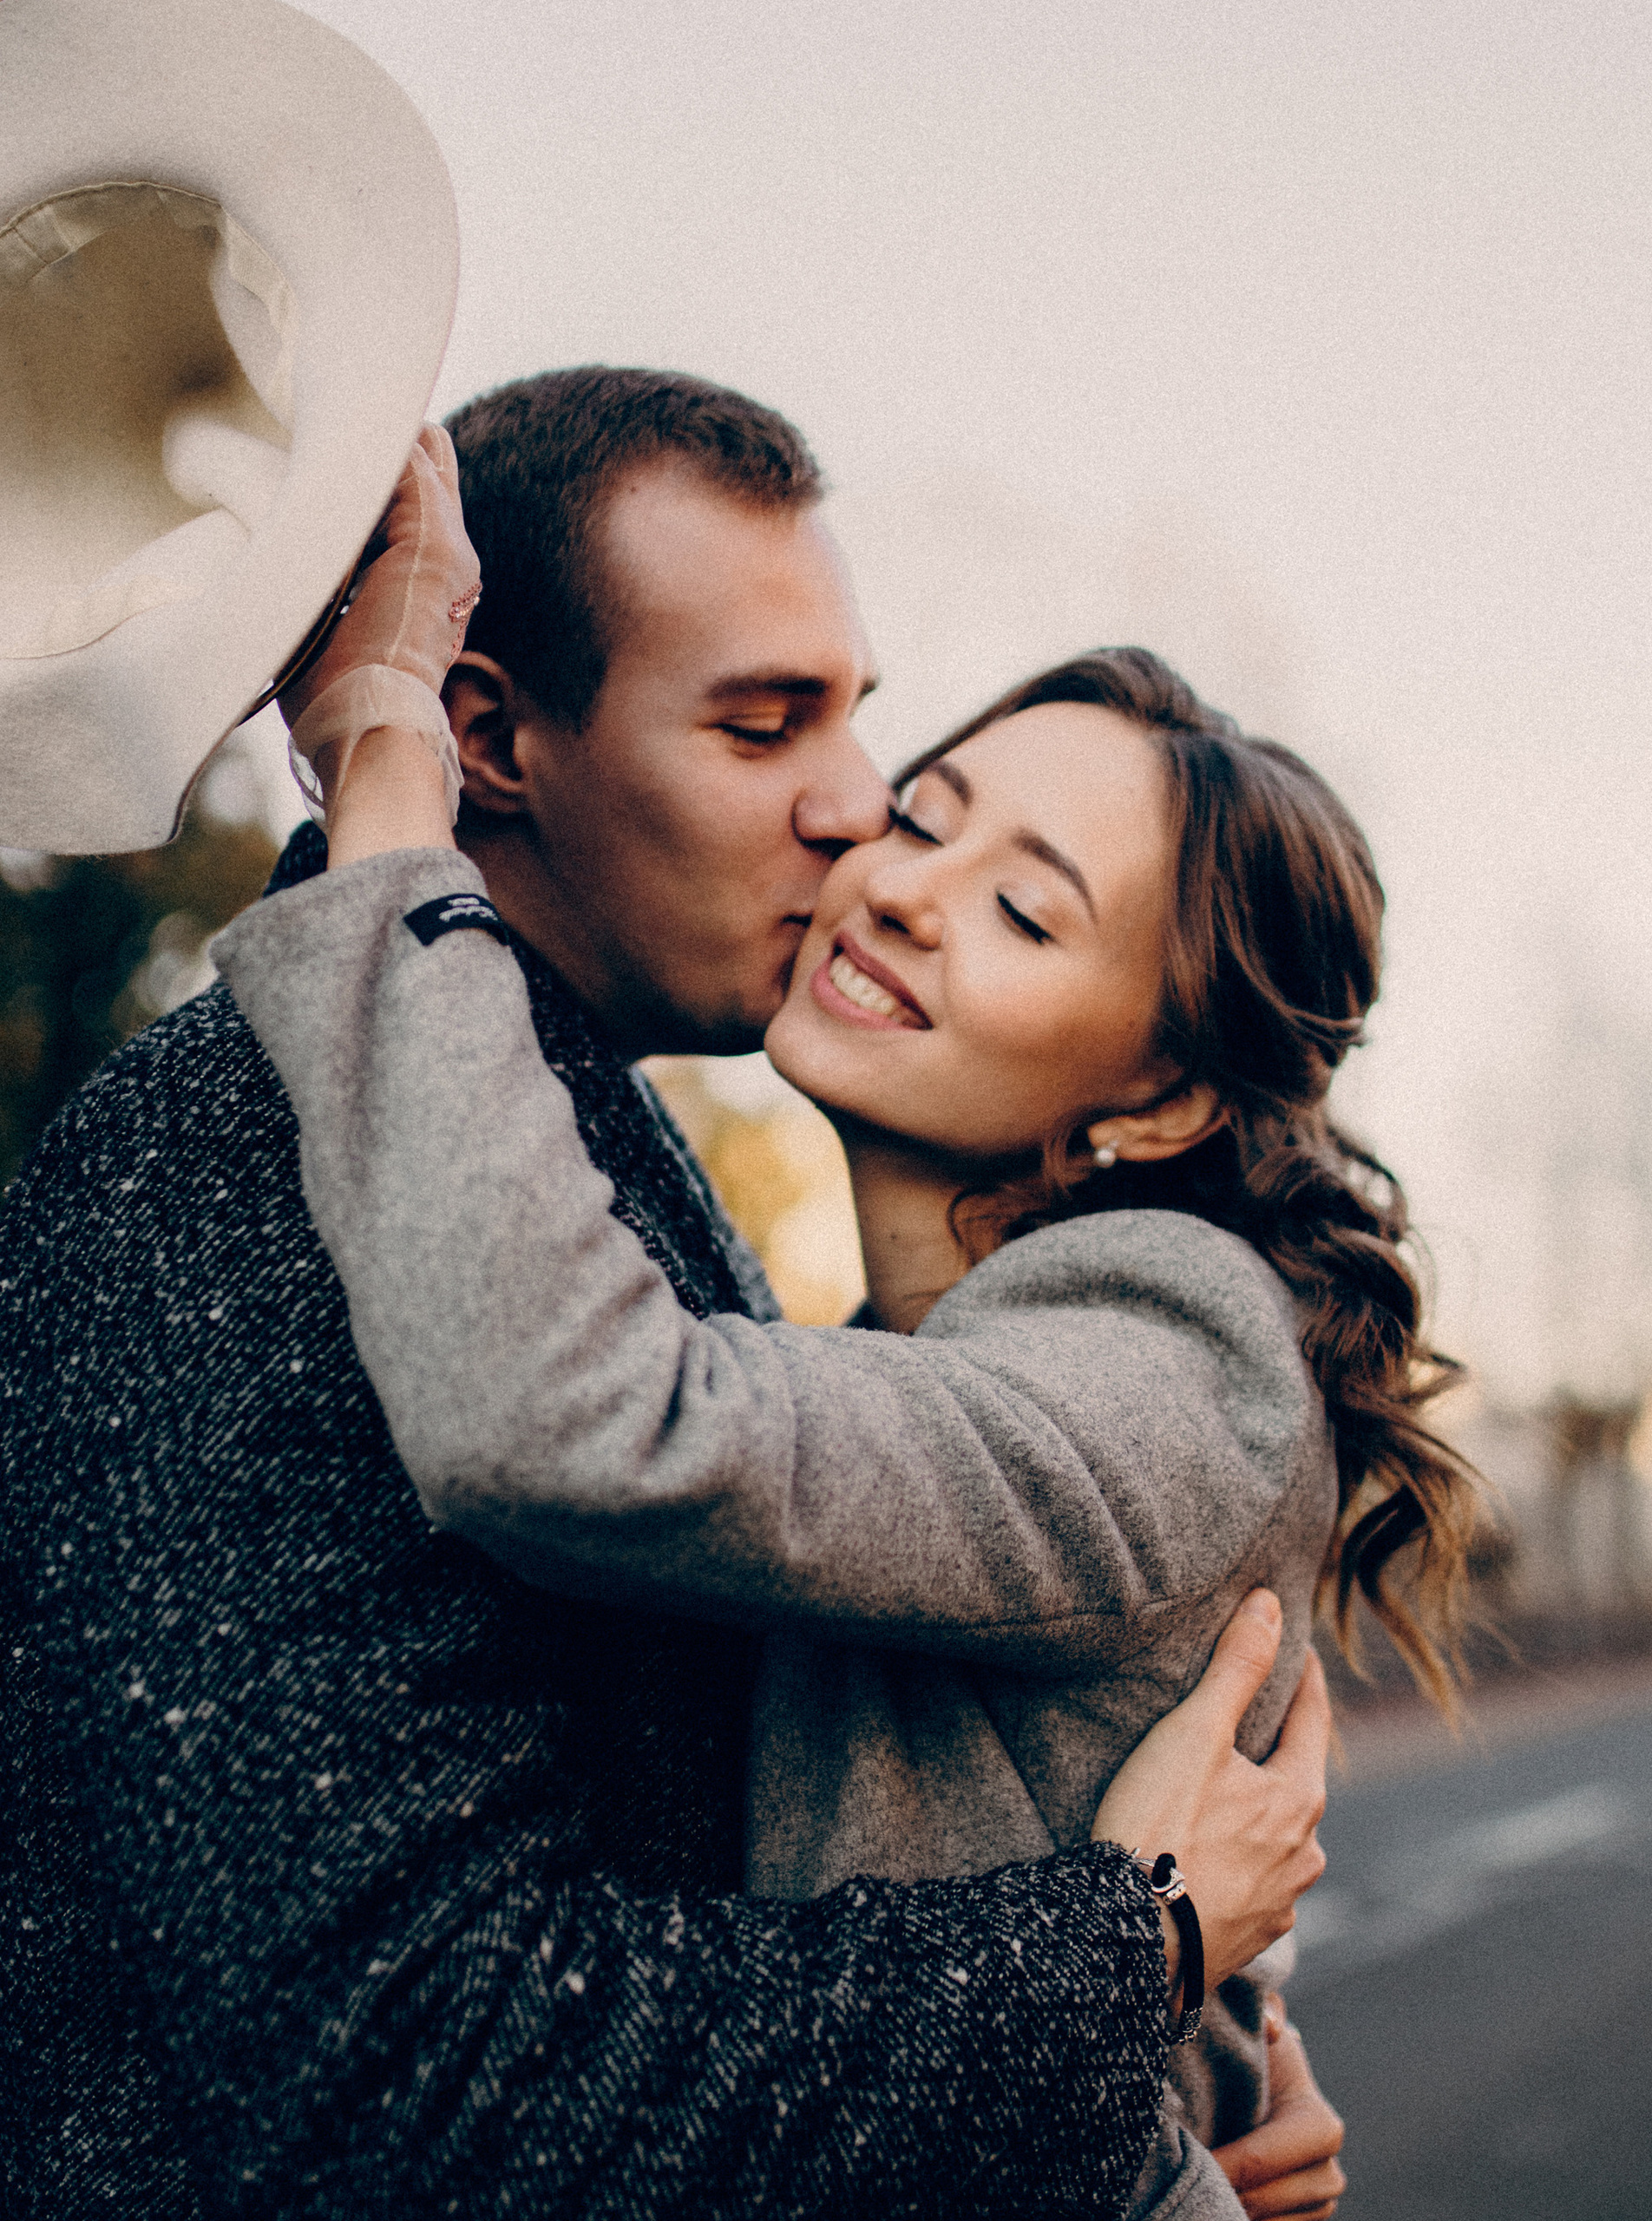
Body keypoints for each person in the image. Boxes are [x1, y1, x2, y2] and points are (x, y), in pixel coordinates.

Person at [0, 371, 1340, 2218]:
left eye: (859, 724)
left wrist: (1192, 2076)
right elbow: (415, 2092)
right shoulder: (233, 1157)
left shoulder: (624, 1171)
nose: (858, 814)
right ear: (489, 737)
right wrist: (1130, 1966)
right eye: (764, 724)